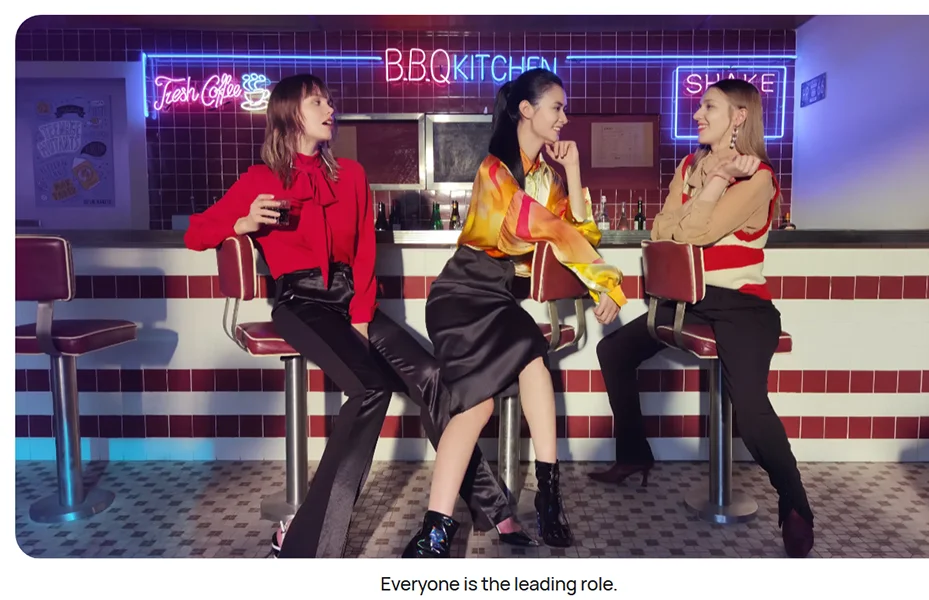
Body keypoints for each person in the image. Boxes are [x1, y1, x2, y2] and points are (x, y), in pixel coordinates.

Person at [184, 74, 536, 558]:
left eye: (329, 100)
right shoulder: (260, 180)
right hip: (300, 303)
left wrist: (361, 313)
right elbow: (196, 233)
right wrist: (241, 223)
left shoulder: (350, 175)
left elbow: (365, 253)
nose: (330, 108)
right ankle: (308, 544)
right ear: (290, 114)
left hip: (350, 299)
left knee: (433, 377)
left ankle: (494, 509)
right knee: (370, 388)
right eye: (317, 101)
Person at [401, 68, 627, 558]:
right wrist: (605, 282)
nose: (564, 118)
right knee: (478, 404)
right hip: (460, 296)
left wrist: (574, 173)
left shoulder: (547, 177)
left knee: (533, 358)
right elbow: (540, 228)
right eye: (557, 107)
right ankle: (435, 528)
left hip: (500, 299)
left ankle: (548, 496)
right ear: (526, 110)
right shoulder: (494, 171)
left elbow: (582, 235)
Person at [588, 79, 815, 558]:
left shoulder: (759, 178)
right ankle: (634, 455)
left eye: (709, 106)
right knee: (614, 350)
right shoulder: (689, 165)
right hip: (687, 301)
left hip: (741, 307)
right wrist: (701, 190)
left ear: (738, 117)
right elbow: (660, 230)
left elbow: (692, 233)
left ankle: (795, 504)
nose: (697, 115)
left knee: (750, 411)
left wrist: (711, 186)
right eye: (699, 106)